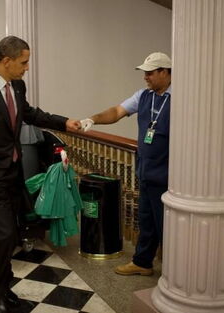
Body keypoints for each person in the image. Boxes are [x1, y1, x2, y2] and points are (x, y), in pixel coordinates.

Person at [0, 36, 81, 313]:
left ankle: (5, 286)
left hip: (13, 172)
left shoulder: (17, 86)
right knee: (5, 234)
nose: (27, 67)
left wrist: (64, 122)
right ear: (6, 61)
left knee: (13, 232)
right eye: (24, 62)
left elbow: (30, 114)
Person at [80, 52, 172, 276]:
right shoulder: (143, 96)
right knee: (146, 220)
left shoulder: (181, 99)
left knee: (167, 227)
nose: (146, 77)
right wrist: (93, 119)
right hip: (146, 172)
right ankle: (142, 262)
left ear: (165, 72)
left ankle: (177, 276)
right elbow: (117, 111)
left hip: (169, 175)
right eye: (145, 73)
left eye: (150, 73)